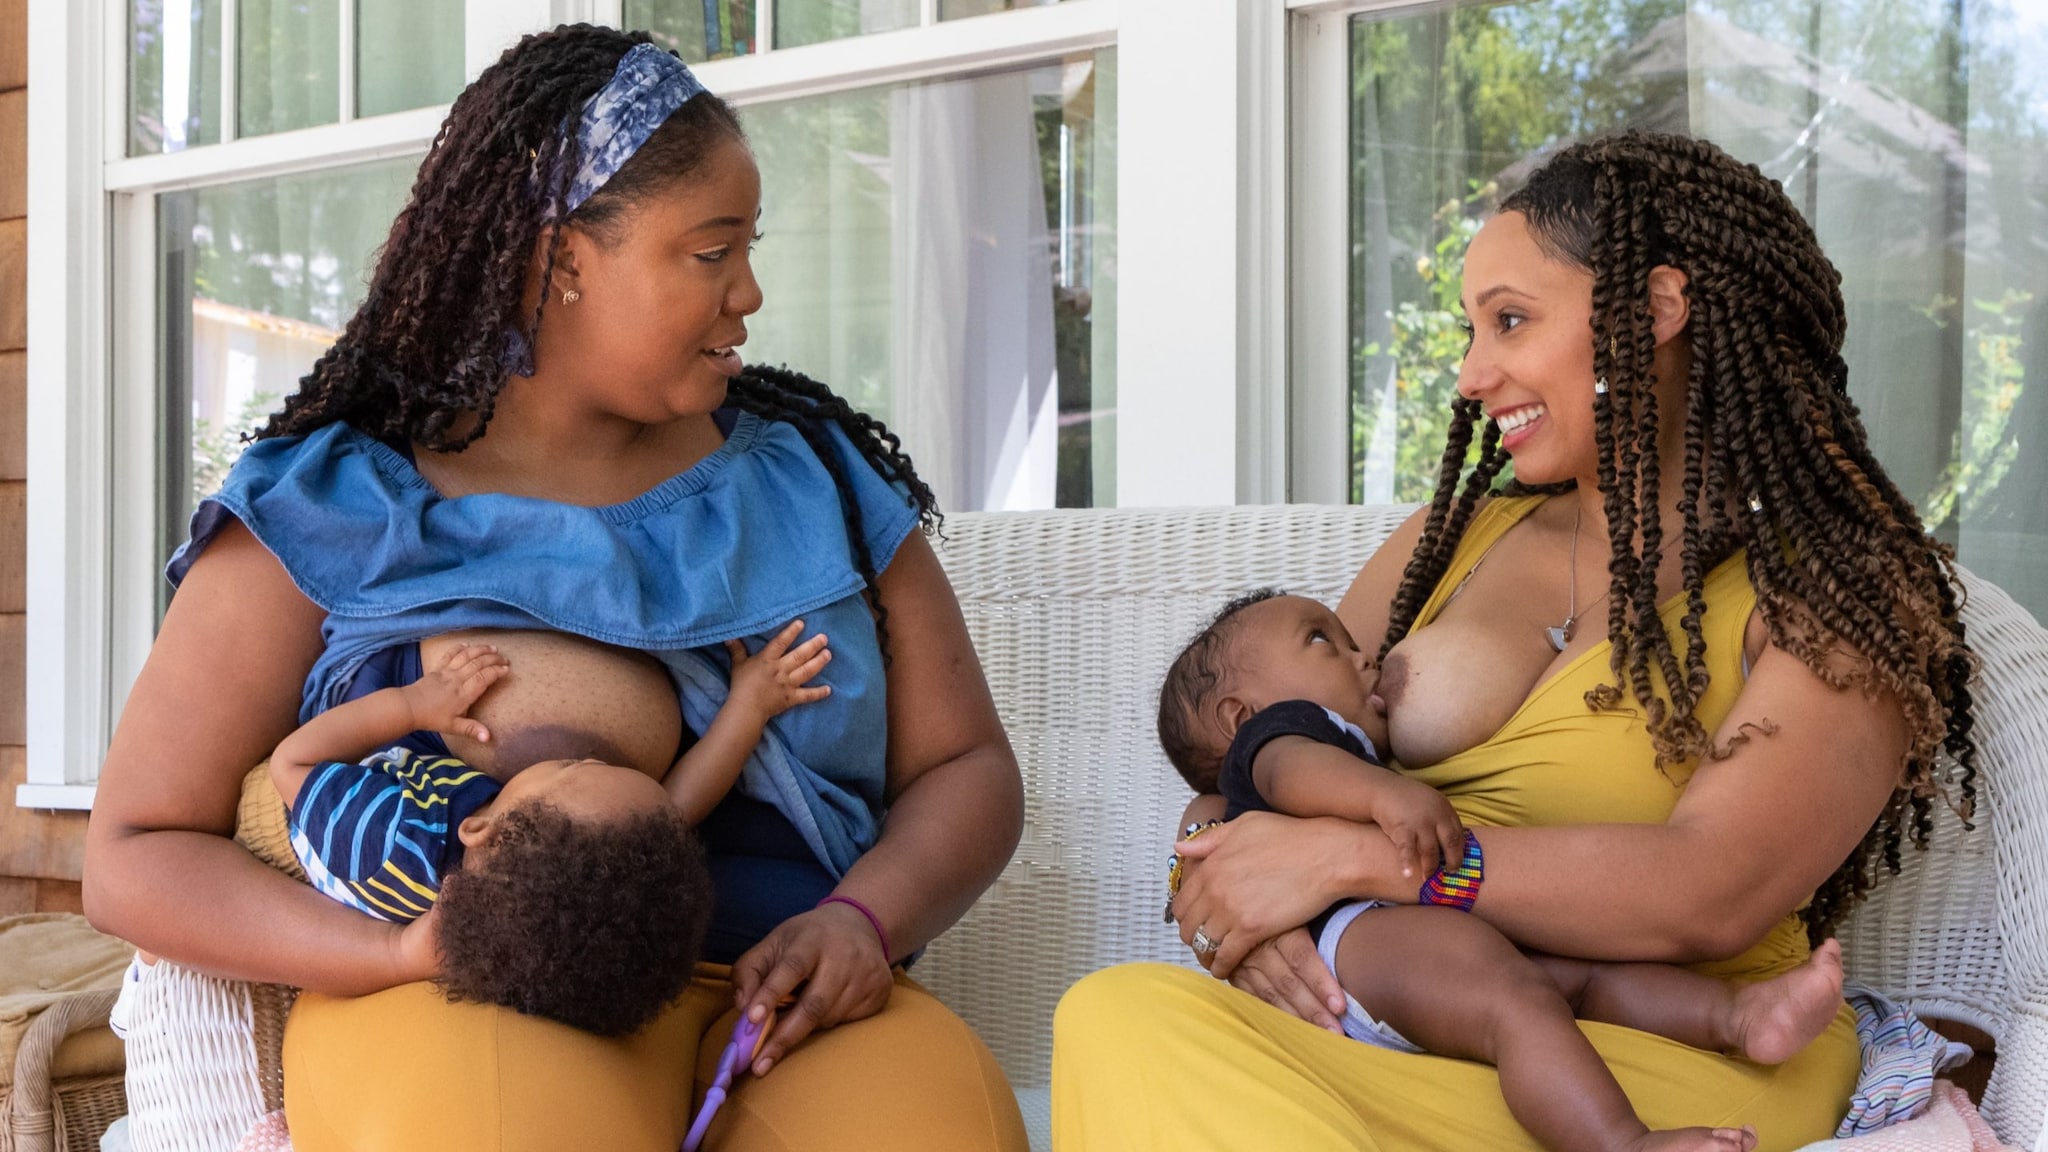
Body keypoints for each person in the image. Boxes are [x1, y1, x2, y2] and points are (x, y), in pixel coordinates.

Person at [84, 24, 1028, 1152]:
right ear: (559, 260)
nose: (751, 292)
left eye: (748, 248)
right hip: (473, 994)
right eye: (709, 252)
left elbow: (966, 769)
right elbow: (137, 849)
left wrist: (862, 923)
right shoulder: (340, 499)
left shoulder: (816, 476)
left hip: (785, 991)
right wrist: (395, 953)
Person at [1054, 129, 1980, 1151]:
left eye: (1508, 321)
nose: (1468, 374)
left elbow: (1706, 892)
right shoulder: (1451, 539)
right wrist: (1224, 890)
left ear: (1653, 312)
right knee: (1117, 1015)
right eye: (1470, 330)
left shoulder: (1839, 590)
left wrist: (1348, 863)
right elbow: (1252, 749)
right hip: (1425, 1024)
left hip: (1682, 1053)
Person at [1155, 588, 1849, 1152]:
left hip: (1406, 938)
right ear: (1238, 715)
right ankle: (1621, 1142)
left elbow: (1712, 889)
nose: (1365, 654)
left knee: (1574, 985)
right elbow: (1289, 774)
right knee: (1519, 1001)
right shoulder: (1283, 733)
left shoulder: (1819, 585)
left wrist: (1335, 850)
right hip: (1362, 937)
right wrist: (1224, 884)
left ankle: (1737, 1014)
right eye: (1322, 641)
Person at [268, 622, 826, 1036]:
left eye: (570, 769)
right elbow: (678, 807)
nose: (583, 757)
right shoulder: (542, 877)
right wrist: (750, 706)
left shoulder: (384, 840)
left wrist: (412, 706)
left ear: (479, 825)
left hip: (341, 791)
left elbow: (290, 766)